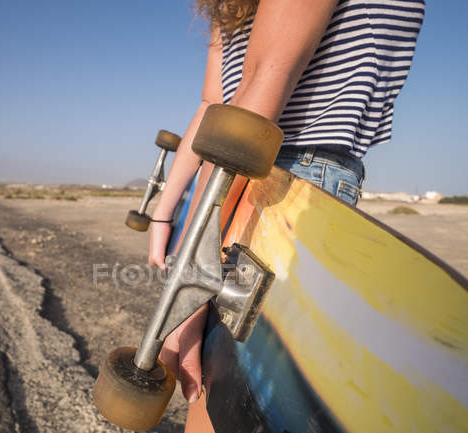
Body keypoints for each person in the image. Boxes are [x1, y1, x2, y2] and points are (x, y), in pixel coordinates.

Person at [147, 0, 425, 431]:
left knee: (237, 398)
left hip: (280, 184)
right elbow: (213, 106)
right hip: (249, 172)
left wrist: (192, 270)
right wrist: (166, 214)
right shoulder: (231, 6)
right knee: (212, 388)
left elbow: (258, 90)